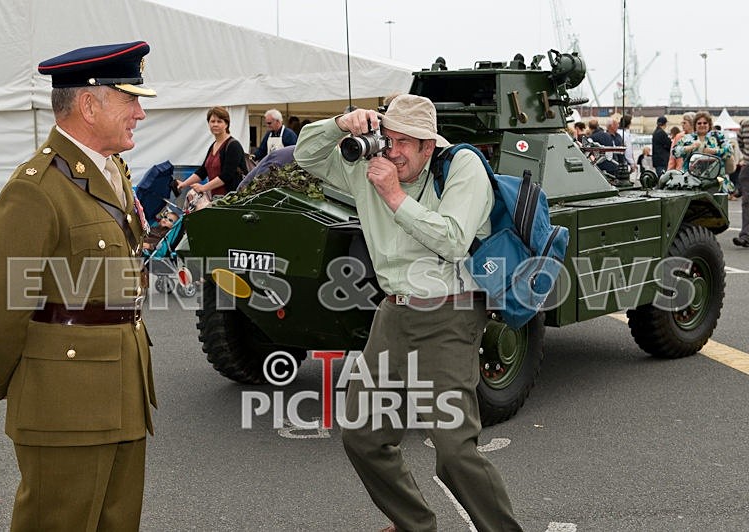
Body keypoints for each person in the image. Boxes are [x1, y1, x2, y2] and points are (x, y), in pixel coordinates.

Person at [294, 94, 522, 532]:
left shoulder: (461, 167)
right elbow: (305, 154)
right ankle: (415, 524)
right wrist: (340, 124)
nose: (392, 150)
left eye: (405, 142)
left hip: (451, 312)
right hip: (393, 311)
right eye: (388, 137)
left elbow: (454, 239)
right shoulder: (370, 164)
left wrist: (394, 195)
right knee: (363, 434)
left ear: (429, 146)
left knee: (455, 450)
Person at [0, 41, 157, 531]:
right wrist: (8, 384)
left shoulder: (110, 169)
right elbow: (0, 312)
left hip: (124, 390)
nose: (140, 112)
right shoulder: (36, 188)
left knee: (118, 523)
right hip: (64, 402)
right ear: (90, 104)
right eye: (130, 99)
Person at [176, 106, 247, 199]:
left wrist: (203, 187)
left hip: (232, 200)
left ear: (226, 124)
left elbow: (226, 176)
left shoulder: (233, 146)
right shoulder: (213, 145)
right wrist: (184, 184)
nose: (215, 124)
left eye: (219, 121)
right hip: (217, 198)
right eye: (212, 121)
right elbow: (203, 171)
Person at [733, 118, 749, 247]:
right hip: (747, 167)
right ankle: (745, 236)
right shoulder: (744, 125)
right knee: (746, 202)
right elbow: (740, 143)